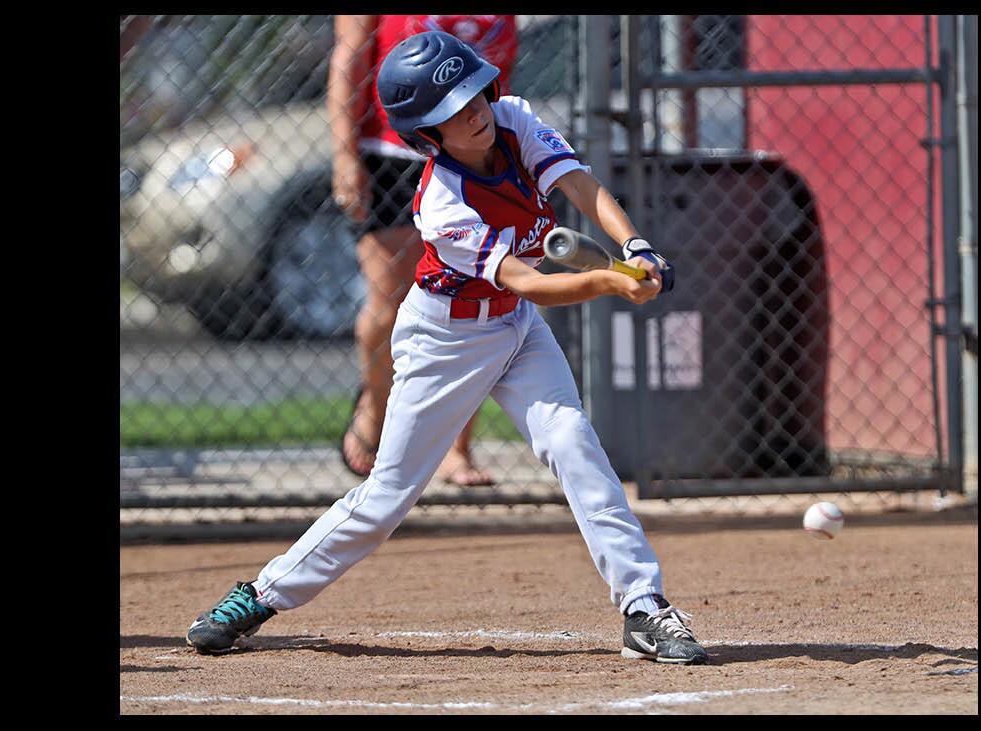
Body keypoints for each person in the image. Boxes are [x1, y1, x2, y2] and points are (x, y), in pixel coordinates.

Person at [187, 30, 706, 666]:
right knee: (385, 499)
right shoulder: (442, 201)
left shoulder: (513, 120)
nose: (475, 113)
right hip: (446, 340)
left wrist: (636, 249)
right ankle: (259, 595)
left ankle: (643, 607)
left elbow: (581, 188)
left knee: (574, 444)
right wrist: (609, 283)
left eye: (474, 95)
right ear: (426, 135)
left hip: (514, 328)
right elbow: (532, 282)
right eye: (452, 111)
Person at [330, 15, 517, 486]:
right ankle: (375, 411)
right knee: (389, 300)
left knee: (473, 301)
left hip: (472, 155)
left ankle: (456, 449)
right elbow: (349, 59)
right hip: (391, 153)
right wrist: (344, 154)